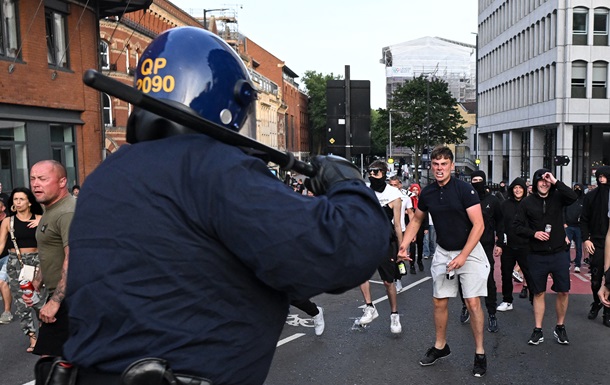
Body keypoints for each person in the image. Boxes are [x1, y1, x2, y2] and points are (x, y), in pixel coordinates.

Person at [60, 27, 390, 385]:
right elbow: (340, 250)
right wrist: (349, 185)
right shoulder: (212, 167)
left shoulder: (105, 177)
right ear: (228, 102)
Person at [398, 146, 488, 378]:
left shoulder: (465, 190)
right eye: (436, 164)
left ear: (451, 165)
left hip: (469, 251)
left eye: (444, 164)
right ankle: (441, 346)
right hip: (443, 252)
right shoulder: (427, 193)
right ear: (432, 166)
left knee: (472, 303)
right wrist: (404, 244)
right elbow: (417, 220)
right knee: (439, 301)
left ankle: (479, 352)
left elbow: (479, 226)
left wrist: (463, 256)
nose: (439, 168)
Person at [514, 169, 577, 345]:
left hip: (559, 253)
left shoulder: (558, 197)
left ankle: (560, 327)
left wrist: (556, 181)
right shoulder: (527, 202)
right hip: (536, 255)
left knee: (563, 290)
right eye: (541, 180)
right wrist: (534, 233)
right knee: (539, 292)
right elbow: (517, 226)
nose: (544, 183)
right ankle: (538, 330)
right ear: (535, 183)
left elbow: (573, 197)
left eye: (547, 180)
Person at [28, 160, 76, 357]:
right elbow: (50, 250)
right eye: (32, 179)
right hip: (60, 292)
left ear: (62, 181)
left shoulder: (67, 212)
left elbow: (73, 257)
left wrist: (55, 301)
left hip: (71, 296)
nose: (35, 184)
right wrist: (37, 282)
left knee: (50, 361)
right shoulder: (50, 209)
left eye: (42, 179)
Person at [357, 160, 404, 334]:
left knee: (387, 281)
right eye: (370, 172)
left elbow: (398, 225)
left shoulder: (394, 194)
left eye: (376, 172)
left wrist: (401, 248)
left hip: (386, 241)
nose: (372, 175)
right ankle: (370, 307)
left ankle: (394, 314)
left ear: (384, 173)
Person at [458, 170, 503, 333]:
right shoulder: (465, 199)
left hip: (486, 245)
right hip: (466, 245)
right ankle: (465, 305)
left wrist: (500, 242)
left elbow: (500, 222)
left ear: (484, 181)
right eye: (474, 180)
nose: (477, 182)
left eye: (479, 179)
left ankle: (492, 314)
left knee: (489, 280)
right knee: (462, 278)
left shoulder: (493, 200)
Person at [0, 188, 43, 350]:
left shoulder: (41, 219)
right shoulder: (8, 222)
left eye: (21, 199)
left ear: (29, 202)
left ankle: (45, 334)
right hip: (15, 264)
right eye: (15, 199)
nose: (17, 202)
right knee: (22, 304)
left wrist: (43, 223)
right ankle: (32, 338)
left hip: (37, 263)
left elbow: (52, 239)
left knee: (40, 301)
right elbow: (1, 245)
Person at [580, 166, 610, 326]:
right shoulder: (590, 197)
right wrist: (586, 239)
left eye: (605, 177)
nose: (602, 180)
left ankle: (607, 311)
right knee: (595, 280)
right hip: (597, 243)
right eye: (599, 177)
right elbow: (583, 219)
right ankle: (596, 302)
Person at [497, 178, 531, 311]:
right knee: (505, 274)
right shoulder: (505, 205)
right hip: (508, 246)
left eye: (520, 188)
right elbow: (500, 225)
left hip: (526, 245)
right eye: (515, 188)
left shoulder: (529, 204)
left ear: (524, 190)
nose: (517, 190)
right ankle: (507, 301)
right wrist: (499, 243)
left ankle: (534, 298)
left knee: (530, 273)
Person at [407, 183, 427, 273]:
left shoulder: (421, 200)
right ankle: (412, 264)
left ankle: (419, 260)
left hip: (421, 226)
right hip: (411, 226)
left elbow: (425, 213)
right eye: (413, 190)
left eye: (416, 190)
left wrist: (426, 227)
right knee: (412, 246)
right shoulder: (408, 200)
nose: (415, 191)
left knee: (420, 245)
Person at [564, 183, 584, 273]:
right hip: (568, 226)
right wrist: (564, 223)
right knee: (566, 246)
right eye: (575, 188)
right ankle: (567, 264)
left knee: (579, 247)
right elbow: (563, 211)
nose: (577, 189)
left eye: (579, 188)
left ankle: (577, 265)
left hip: (579, 227)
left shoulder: (583, 200)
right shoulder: (568, 200)